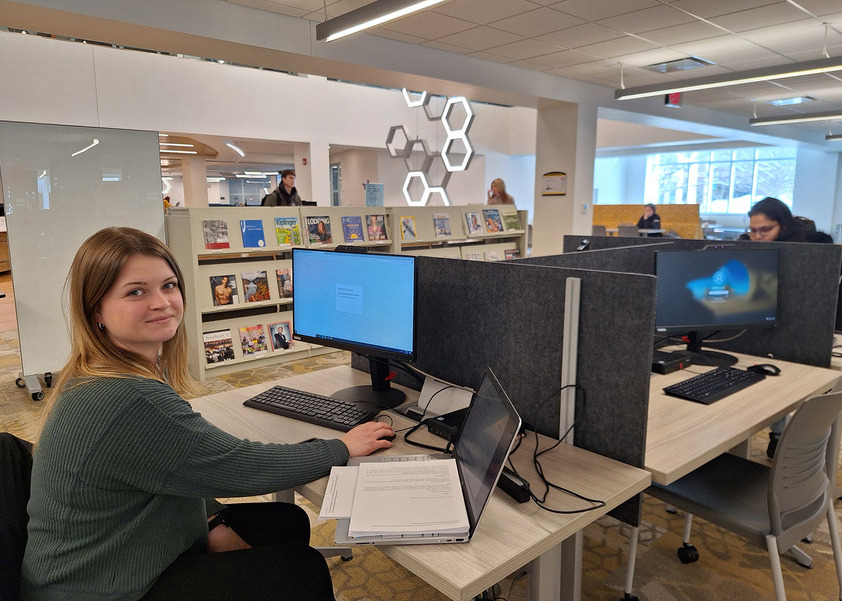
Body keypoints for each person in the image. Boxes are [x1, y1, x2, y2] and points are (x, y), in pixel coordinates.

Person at [21, 227, 394, 601]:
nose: (162, 302)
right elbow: (241, 467)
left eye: (168, 286)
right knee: (300, 569)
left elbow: (173, 465)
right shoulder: (127, 396)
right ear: (96, 310)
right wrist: (341, 447)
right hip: (97, 586)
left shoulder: (104, 370)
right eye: (136, 291)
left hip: (118, 548)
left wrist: (212, 519)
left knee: (286, 521)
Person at [746, 197, 833, 457]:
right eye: (753, 230)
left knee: (789, 387)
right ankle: (773, 434)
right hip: (759, 325)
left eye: (765, 230)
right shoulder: (745, 248)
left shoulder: (807, 249)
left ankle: (786, 437)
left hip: (800, 327)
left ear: (783, 225)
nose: (758, 237)